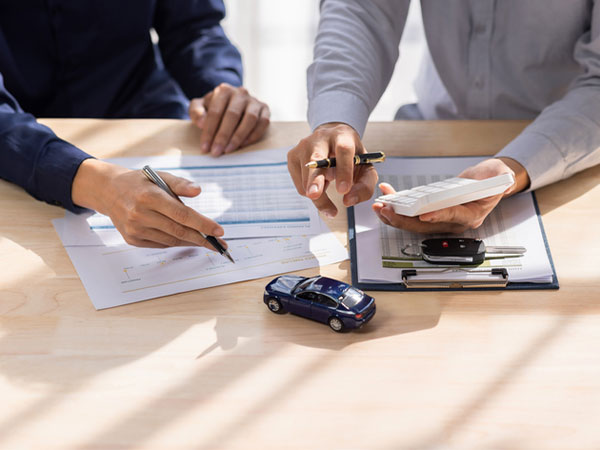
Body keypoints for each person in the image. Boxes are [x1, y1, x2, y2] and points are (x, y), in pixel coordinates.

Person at [287, 1, 600, 234]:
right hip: (432, 130)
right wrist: (336, 119)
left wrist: (514, 169)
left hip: (566, 154)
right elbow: (362, 9)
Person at [0, 0, 270, 249]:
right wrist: (97, 184)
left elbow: (194, 26)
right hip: (18, 149)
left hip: (147, 114)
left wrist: (221, 91)